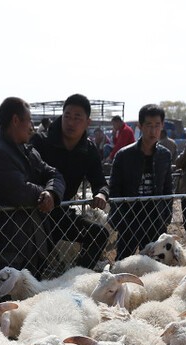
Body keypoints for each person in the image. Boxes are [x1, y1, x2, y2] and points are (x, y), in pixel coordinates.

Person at [0, 96, 65, 277]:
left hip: (32, 242)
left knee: (31, 299)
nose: (32, 127)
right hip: (9, 247)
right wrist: (44, 192)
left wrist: (51, 192)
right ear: (16, 120)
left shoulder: (28, 151)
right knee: (9, 301)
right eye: (29, 121)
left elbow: (55, 174)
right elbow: (19, 191)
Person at [28, 92, 112, 269]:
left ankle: (75, 278)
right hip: (35, 213)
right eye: (67, 116)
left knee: (99, 234)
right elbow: (25, 175)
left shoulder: (88, 150)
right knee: (34, 267)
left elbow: (100, 182)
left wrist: (102, 194)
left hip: (62, 213)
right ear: (61, 116)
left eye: (77, 118)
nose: (71, 122)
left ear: (87, 122)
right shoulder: (41, 142)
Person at [109, 104, 173, 258]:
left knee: (154, 261)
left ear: (162, 126)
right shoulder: (124, 155)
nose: (153, 131)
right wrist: (119, 217)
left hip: (155, 216)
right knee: (124, 260)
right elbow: (114, 188)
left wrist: (166, 215)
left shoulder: (165, 155)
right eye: (148, 125)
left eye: (157, 126)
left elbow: (168, 188)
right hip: (130, 215)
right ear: (140, 126)